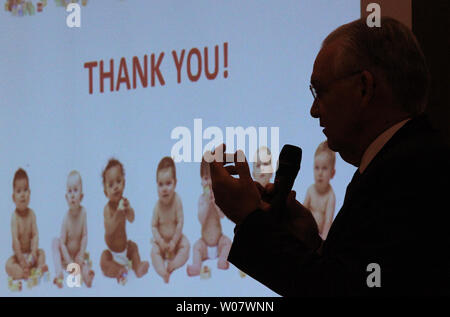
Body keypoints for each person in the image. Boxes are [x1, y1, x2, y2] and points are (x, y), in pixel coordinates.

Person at [208, 17, 450, 296]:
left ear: (364, 87)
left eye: (319, 91)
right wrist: (312, 243)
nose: (313, 110)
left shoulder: (410, 172)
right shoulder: (402, 161)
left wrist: (249, 217)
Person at [100, 159, 149, 283]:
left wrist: (128, 209)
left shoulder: (124, 201)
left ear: (124, 183)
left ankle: (137, 267)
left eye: (118, 181)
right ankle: (119, 270)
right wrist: (118, 213)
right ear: (106, 192)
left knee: (133, 246)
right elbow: (109, 230)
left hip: (124, 248)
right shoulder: (107, 209)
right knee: (103, 259)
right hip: (112, 252)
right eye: (111, 185)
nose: (116, 187)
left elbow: (132, 219)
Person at [187, 157, 231, 277]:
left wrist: (217, 204)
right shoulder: (202, 199)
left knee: (227, 242)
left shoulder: (219, 198)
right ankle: (196, 266)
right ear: (201, 181)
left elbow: (222, 216)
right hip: (205, 245)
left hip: (219, 241)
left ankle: (222, 260)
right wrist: (207, 203)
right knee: (196, 246)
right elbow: (201, 219)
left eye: (213, 179)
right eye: (206, 178)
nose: (210, 183)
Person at [51, 171, 95, 288]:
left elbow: (85, 235)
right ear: (66, 198)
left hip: (76, 255)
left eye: (75, 190)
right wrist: (69, 262)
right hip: (65, 257)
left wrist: (81, 253)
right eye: (69, 191)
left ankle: (87, 276)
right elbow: (62, 243)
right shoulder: (66, 218)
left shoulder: (83, 212)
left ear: (81, 196)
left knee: (83, 264)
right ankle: (58, 272)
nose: (72, 195)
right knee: (55, 241)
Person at [151, 157, 190, 283]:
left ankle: (173, 264)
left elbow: (180, 222)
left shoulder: (177, 201)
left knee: (186, 246)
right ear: (156, 185)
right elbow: (153, 226)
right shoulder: (157, 206)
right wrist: (161, 242)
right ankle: (163, 272)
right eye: (160, 184)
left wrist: (174, 242)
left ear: (175, 183)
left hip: (176, 239)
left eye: (168, 183)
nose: (164, 188)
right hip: (162, 241)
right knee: (154, 252)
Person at [6, 168, 48, 280]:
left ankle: (38, 268)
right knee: (8, 265)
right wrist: (21, 260)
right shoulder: (14, 218)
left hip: (30, 255)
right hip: (19, 257)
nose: (22, 195)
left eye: (25, 190)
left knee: (42, 253)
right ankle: (22, 273)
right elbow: (15, 241)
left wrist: (34, 253)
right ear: (13, 198)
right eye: (18, 191)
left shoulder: (32, 214)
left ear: (30, 193)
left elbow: (35, 235)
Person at [304, 141, 336, 240]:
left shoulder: (330, 196)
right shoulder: (310, 190)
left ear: (332, 173)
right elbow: (302, 210)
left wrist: (323, 242)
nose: (320, 173)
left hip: (320, 237)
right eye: (316, 168)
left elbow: (328, 222)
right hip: (305, 231)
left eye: (324, 168)